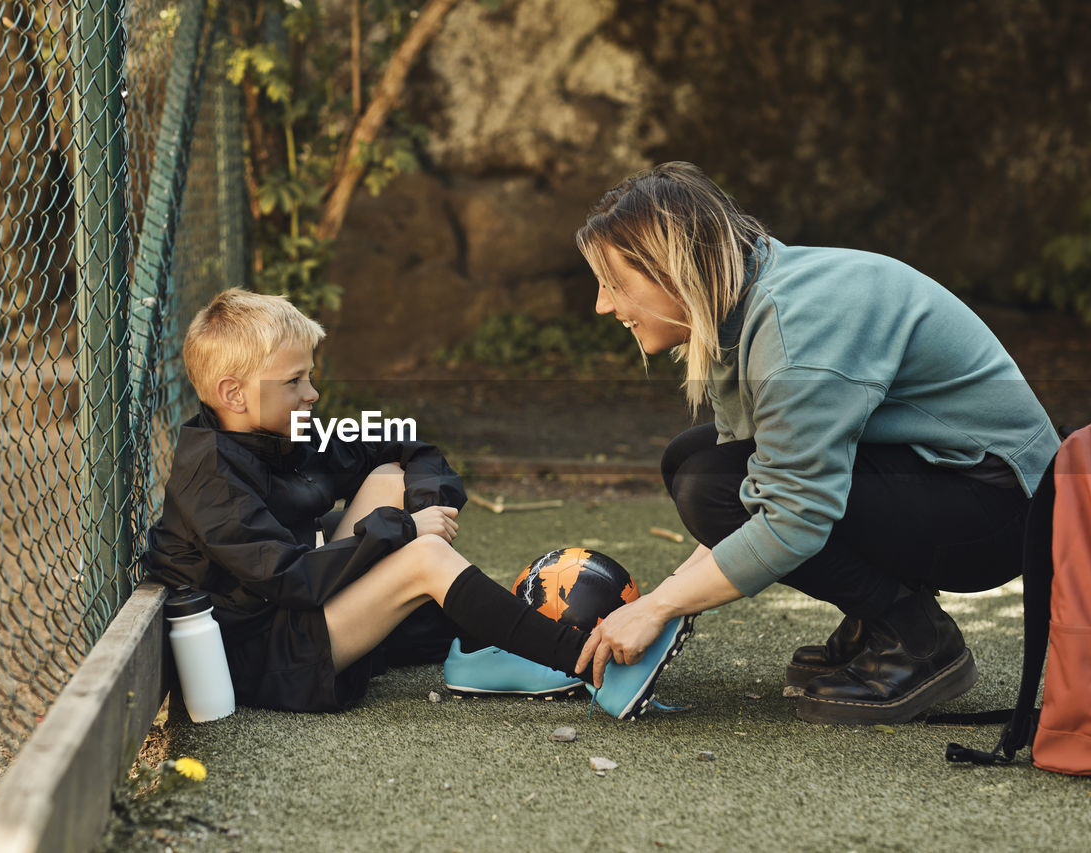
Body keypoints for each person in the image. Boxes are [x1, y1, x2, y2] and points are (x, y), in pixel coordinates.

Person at [573, 162, 1062, 725]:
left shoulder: (794, 330)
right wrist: (667, 601)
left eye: (615, 284)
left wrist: (659, 607)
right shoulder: (739, 308)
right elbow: (756, 480)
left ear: (673, 270)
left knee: (707, 485)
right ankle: (878, 618)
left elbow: (791, 518)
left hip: (1001, 510)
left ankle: (917, 638)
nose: (603, 305)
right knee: (695, 462)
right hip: (946, 479)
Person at [144, 288, 689, 717]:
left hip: (295, 616)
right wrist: (403, 531)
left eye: (310, 376)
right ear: (234, 393)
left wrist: (422, 510)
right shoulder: (209, 472)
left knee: (386, 476)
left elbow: (411, 447)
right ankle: (588, 664)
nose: (312, 394)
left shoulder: (288, 428)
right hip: (267, 660)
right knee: (421, 555)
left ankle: (481, 648)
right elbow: (287, 577)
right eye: (295, 381)